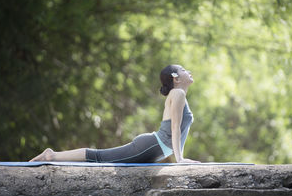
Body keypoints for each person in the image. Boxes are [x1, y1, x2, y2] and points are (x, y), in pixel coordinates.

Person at [30, 64, 200, 163]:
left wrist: (181, 159)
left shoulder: (180, 96)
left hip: (155, 148)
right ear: (175, 78)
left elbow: (180, 132)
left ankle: (52, 155)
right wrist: (180, 160)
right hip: (151, 145)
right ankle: (51, 155)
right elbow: (175, 128)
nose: (189, 71)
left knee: (101, 157)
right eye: (184, 69)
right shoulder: (178, 94)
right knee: (100, 157)